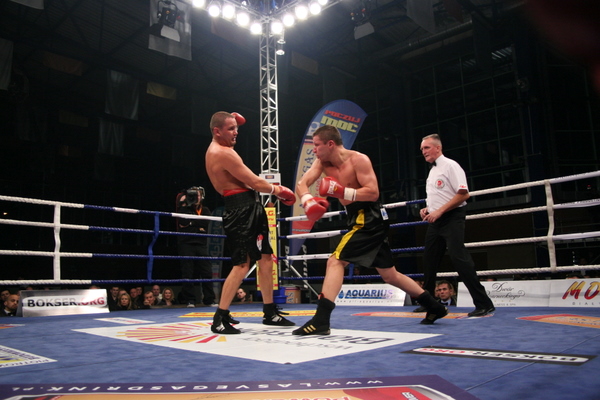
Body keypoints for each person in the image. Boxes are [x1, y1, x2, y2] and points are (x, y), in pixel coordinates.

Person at [292, 125, 448, 335]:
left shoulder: (359, 160)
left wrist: (342, 191)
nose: (314, 150)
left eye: (317, 145)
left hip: (369, 217)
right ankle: (435, 307)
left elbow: (373, 192)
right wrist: (308, 200)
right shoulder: (322, 162)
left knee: (335, 261)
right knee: (390, 276)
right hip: (355, 217)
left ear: (330, 144)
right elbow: (302, 183)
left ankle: (321, 320)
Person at [205, 111, 297, 334]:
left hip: (249, 207)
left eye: (236, 128)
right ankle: (219, 317)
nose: (236, 132)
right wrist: (278, 190)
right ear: (217, 131)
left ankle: (270, 312)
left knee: (266, 259)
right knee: (242, 264)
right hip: (240, 210)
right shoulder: (223, 153)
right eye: (231, 129)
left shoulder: (222, 149)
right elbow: (255, 182)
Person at [418, 134, 495, 317]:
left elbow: (463, 194)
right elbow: (442, 194)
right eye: (422, 149)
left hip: (452, 217)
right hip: (436, 220)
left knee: (459, 258)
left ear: (438, 148)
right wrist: (429, 209)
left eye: (427, 148)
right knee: (429, 260)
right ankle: (429, 303)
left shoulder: (451, 166)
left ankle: (484, 304)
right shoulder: (433, 170)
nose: (423, 152)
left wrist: (439, 211)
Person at [176, 185, 217, 308]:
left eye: (198, 195)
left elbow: (204, 222)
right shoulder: (184, 208)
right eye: (193, 195)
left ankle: (209, 299)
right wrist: (184, 204)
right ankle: (190, 300)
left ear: (202, 196)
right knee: (187, 272)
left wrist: (190, 223)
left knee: (206, 271)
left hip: (201, 244)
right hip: (186, 243)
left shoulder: (205, 210)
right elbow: (182, 222)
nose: (196, 197)